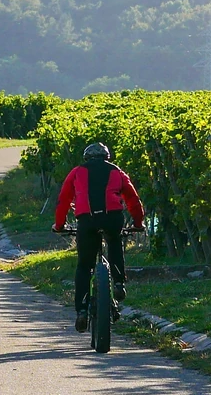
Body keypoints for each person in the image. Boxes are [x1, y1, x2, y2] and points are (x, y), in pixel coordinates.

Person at [53, 141, 146, 332]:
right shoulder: (117, 172)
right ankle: (119, 283)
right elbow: (133, 199)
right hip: (112, 218)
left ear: (87, 158)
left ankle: (81, 310)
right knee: (115, 244)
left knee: (84, 266)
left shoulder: (77, 172)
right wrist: (138, 223)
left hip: (87, 220)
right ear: (107, 157)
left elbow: (64, 200)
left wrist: (60, 225)